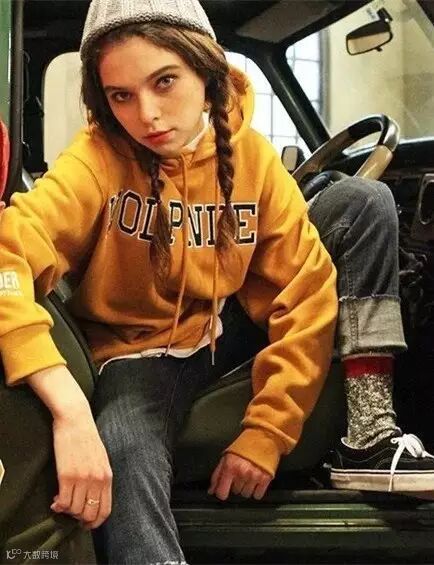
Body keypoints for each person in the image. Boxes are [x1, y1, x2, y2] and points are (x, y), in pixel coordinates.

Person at [0, 0, 433, 563]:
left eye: (165, 82)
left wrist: (266, 434)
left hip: (223, 320)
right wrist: (69, 409)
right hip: (137, 349)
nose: (148, 115)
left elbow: (306, 294)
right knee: (125, 442)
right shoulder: (97, 159)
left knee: (362, 201)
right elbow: (8, 254)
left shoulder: (251, 156)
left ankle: (369, 434)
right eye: (121, 96)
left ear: (207, 73)